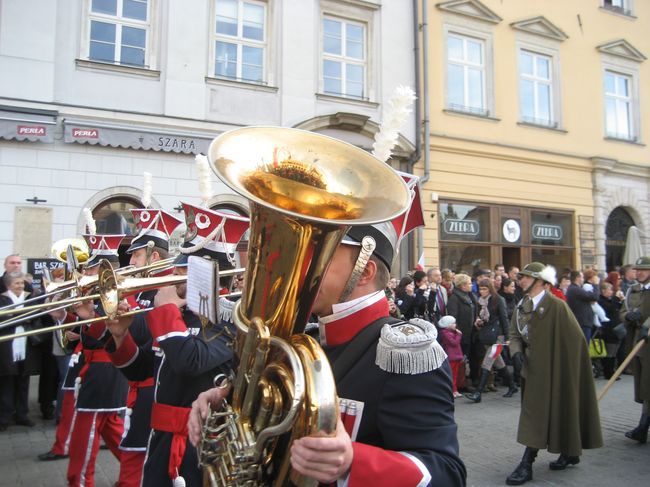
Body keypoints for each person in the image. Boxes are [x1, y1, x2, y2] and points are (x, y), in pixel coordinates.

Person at [189, 222, 467, 485]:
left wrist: (352, 462)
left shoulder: (403, 354)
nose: (300, 268)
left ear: (365, 272)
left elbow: (446, 473)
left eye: (320, 255)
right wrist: (227, 401)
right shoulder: (306, 339)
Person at [105, 202, 249, 486]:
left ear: (207, 276)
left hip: (200, 445)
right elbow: (143, 369)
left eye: (183, 272)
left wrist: (166, 310)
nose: (175, 278)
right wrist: (121, 337)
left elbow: (189, 361)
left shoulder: (231, 317)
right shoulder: (180, 314)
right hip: (160, 438)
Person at [506, 262, 602, 485]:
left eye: (526, 277)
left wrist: (565, 368)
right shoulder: (522, 305)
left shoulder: (557, 306)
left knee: (541, 414)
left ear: (541, 282)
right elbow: (514, 335)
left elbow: (576, 339)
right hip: (532, 370)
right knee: (538, 413)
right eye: (521, 277)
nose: (521, 281)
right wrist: (516, 352)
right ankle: (570, 452)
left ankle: (527, 463)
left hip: (554, 369)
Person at [464, 279, 517, 402]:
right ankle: (512, 386)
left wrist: (508, 337)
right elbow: (483, 318)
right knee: (499, 364)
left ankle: (478, 393)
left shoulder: (498, 300)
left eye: (485, 289)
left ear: (490, 289)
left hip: (497, 337)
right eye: (480, 288)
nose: (482, 291)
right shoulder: (481, 302)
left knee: (487, 363)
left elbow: (504, 319)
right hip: (487, 336)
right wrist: (479, 321)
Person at [0, 271, 39, 431]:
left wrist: (15, 316)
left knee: (24, 382)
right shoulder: (2, 299)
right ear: (9, 285)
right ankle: (5, 417)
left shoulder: (30, 298)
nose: (20, 286)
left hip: (26, 345)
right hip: (8, 346)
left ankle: (22, 414)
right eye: (16, 283)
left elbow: (35, 317)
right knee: (7, 383)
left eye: (22, 283)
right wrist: (22, 317)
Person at [619, 256, 650, 444]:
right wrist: (628, 316)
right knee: (642, 386)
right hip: (637, 344)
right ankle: (643, 424)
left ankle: (642, 426)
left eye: (643, 270)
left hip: (648, 344)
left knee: (647, 386)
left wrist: (647, 323)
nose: (639, 273)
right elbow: (623, 310)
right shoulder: (633, 290)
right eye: (637, 270)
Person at [446, 273, 477, 391]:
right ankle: (459, 384)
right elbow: (453, 317)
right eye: (469, 283)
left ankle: (463, 382)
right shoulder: (454, 298)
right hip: (461, 335)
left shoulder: (469, 296)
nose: (471, 285)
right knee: (460, 359)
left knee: (465, 359)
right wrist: (457, 333)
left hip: (470, 333)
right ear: (462, 285)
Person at [598, 281, 624, 380]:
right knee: (610, 352)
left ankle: (612, 371)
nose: (611, 292)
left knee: (614, 352)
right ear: (604, 291)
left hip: (616, 329)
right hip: (608, 329)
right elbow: (610, 309)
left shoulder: (611, 300)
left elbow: (618, 308)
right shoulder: (601, 301)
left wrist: (620, 301)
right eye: (610, 289)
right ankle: (608, 372)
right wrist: (616, 299)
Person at [566, 270, 599, 343]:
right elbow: (594, 297)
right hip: (582, 323)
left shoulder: (575, 289)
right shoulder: (575, 289)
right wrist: (596, 284)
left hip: (584, 322)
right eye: (582, 277)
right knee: (583, 346)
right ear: (578, 278)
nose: (583, 279)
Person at [438, 315, 463, 398]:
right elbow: (453, 343)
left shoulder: (452, 333)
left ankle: (455, 390)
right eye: (453, 323)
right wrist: (459, 335)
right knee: (451, 375)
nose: (455, 325)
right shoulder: (445, 333)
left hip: (456, 356)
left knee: (455, 374)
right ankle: (451, 390)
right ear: (447, 324)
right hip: (451, 357)